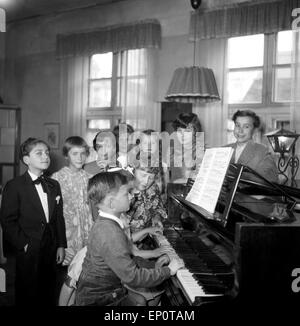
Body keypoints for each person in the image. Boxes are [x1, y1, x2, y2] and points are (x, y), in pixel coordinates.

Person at [75, 171, 183, 306]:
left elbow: (128, 259)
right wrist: (169, 271)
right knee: (140, 302)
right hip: (99, 299)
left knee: (140, 300)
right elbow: (132, 277)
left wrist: (154, 265)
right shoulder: (109, 232)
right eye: (127, 193)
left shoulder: (107, 223)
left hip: (105, 290)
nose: (132, 195)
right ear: (112, 203)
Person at [0, 138, 67, 306]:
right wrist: (23, 244)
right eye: (39, 153)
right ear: (26, 160)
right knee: (27, 291)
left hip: (51, 247)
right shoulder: (14, 185)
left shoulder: (54, 184)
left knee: (49, 288)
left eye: (47, 152)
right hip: (28, 247)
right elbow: (8, 221)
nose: (45, 156)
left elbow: (58, 217)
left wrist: (60, 245)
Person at [52, 136, 93, 266]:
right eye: (74, 154)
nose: (79, 158)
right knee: (66, 272)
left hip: (86, 229)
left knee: (83, 268)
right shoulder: (57, 179)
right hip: (66, 233)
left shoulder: (89, 178)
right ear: (66, 155)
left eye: (83, 154)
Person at [227, 110, 278, 183]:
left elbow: (271, 181)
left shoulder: (263, 152)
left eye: (246, 127)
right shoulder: (224, 149)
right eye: (237, 125)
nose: (240, 131)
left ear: (254, 130)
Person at [127, 162, 168, 239]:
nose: (146, 182)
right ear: (133, 170)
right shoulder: (120, 189)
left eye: (151, 178)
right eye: (143, 175)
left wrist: (156, 218)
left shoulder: (152, 188)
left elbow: (156, 207)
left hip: (144, 240)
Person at [170, 112, 204, 184]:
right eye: (179, 131)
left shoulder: (203, 154)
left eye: (187, 131)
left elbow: (201, 181)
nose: (182, 135)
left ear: (195, 132)